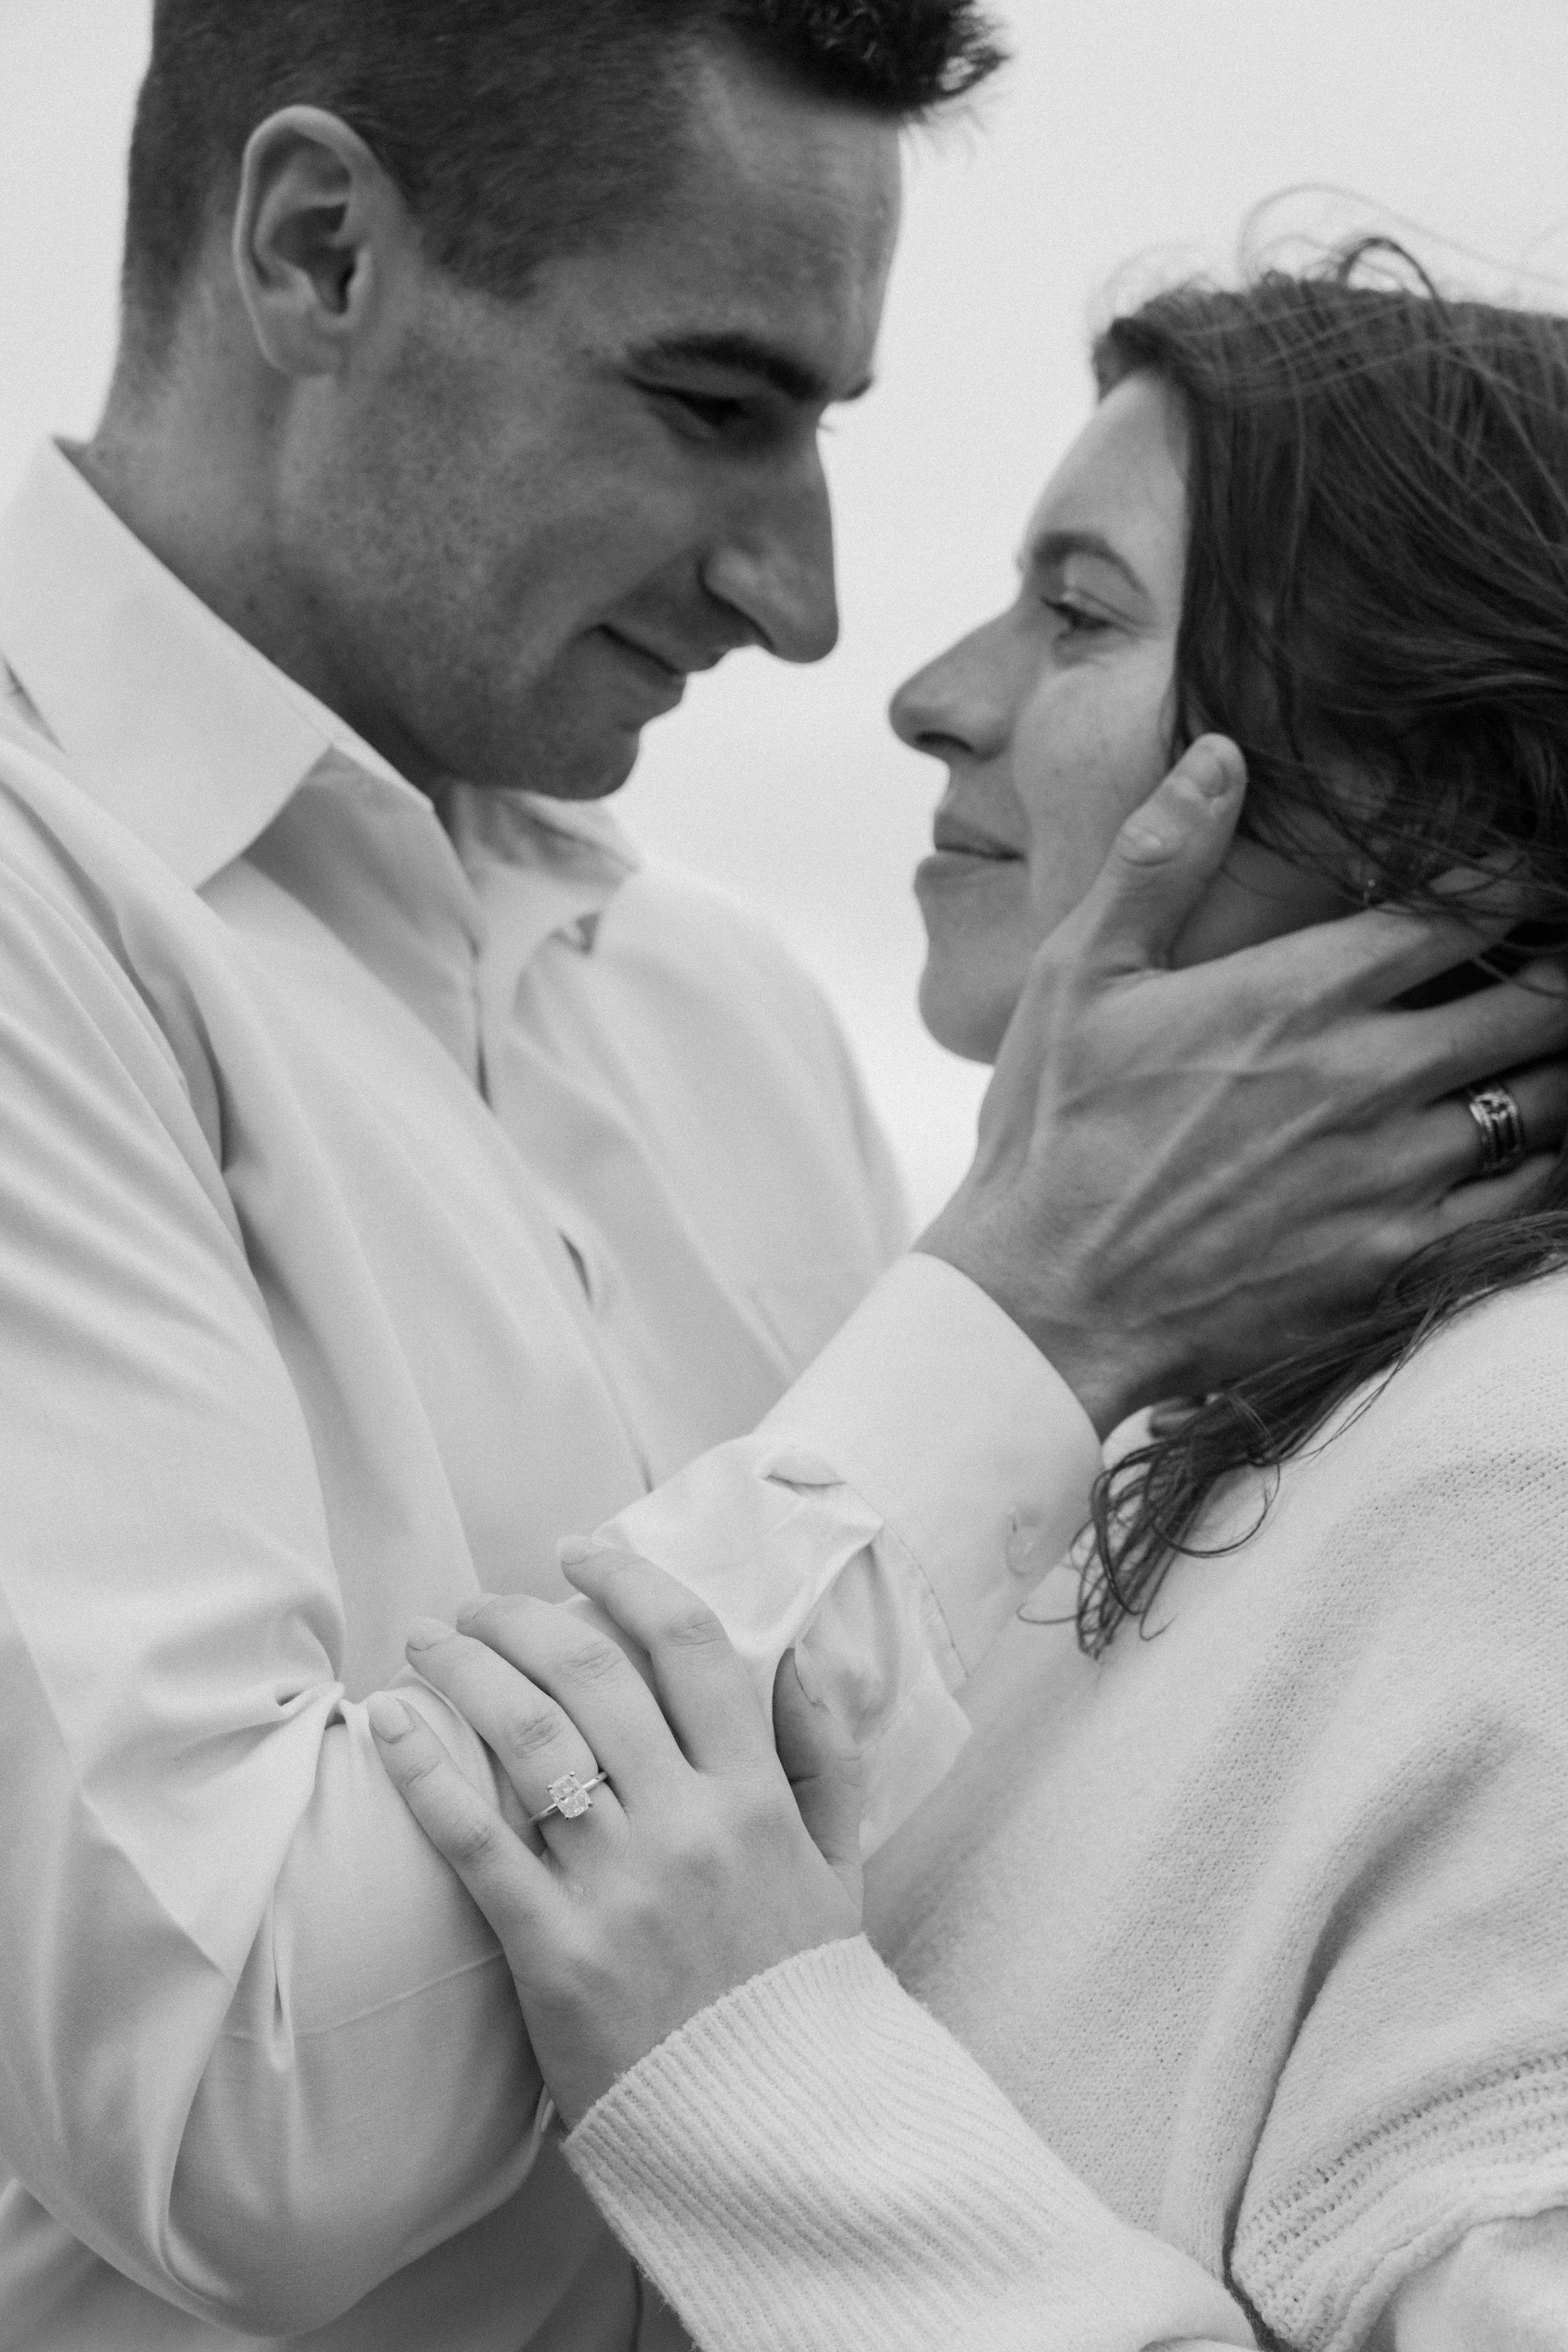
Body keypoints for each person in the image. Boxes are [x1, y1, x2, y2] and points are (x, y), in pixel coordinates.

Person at [0, 3, 1555, 2341]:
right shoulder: (48, 927)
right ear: (318, 252)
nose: (813, 606)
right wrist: (1019, 1320)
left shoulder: (722, 1021)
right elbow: (249, 2105)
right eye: (714, 404)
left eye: (824, 429)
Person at [376, 258, 1568, 2349]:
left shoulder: (1521, 1485)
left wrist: (757, 2059)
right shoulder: (1187, 1436)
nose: (930, 687)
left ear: (1440, 789)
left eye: (1081, 611)